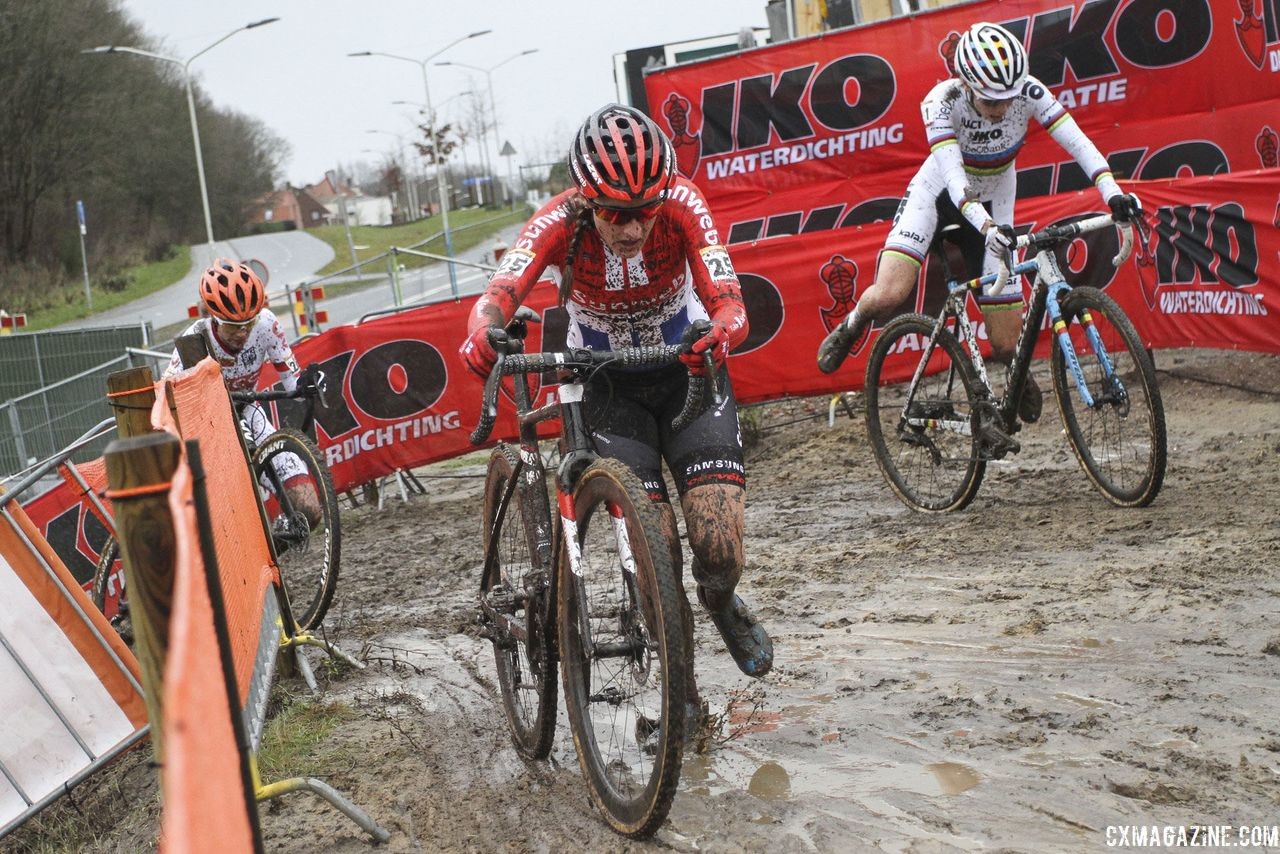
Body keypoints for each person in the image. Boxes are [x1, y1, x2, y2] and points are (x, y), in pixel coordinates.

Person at [459, 104, 773, 718]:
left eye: (643, 212)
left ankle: (719, 599)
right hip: (605, 386)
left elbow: (728, 296)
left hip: (685, 371)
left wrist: (725, 328)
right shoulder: (560, 219)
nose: (631, 228)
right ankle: (683, 701)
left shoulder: (682, 202)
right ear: (586, 199)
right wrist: (481, 333)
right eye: (614, 214)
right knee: (655, 552)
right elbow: (500, 291)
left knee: (718, 548)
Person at [817, 21, 1142, 423]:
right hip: (938, 197)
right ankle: (853, 323)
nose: (1004, 108)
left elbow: (1076, 141)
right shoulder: (942, 102)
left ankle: (1014, 372)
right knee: (889, 294)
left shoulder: (1027, 91)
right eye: (992, 102)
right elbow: (955, 182)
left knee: (1007, 344)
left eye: (1009, 97)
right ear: (967, 85)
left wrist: (1113, 193)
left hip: (997, 196)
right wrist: (985, 228)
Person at [165, 258, 320, 527]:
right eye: (234, 326)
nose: (244, 332)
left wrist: (308, 382)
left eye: (249, 323)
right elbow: (167, 405)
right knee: (234, 518)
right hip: (207, 424)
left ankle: (275, 544)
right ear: (214, 317)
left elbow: (292, 385)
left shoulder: (267, 324)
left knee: (309, 509)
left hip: (249, 408)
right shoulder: (193, 341)